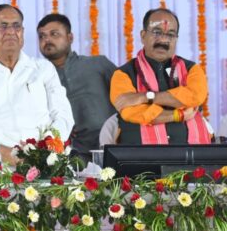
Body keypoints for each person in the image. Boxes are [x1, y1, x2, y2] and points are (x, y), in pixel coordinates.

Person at [0, 4, 74, 166]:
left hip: (45, 162)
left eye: (16, 26)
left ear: (22, 32)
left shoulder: (43, 69)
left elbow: (63, 115)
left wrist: (44, 148)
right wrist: (0, 151)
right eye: (3, 26)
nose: (11, 31)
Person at [110, 8, 211, 144]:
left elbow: (194, 96)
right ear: (143, 36)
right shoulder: (123, 74)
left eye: (170, 34)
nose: (163, 40)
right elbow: (132, 112)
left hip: (193, 154)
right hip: (141, 155)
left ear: (176, 39)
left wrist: (145, 97)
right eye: (157, 32)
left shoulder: (192, 69)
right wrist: (178, 115)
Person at [37, 13, 116, 160]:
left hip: (112, 147)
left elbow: (126, 97)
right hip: (71, 156)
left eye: (54, 34)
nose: (47, 40)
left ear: (70, 37)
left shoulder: (98, 64)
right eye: (42, 36)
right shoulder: (38, 77)